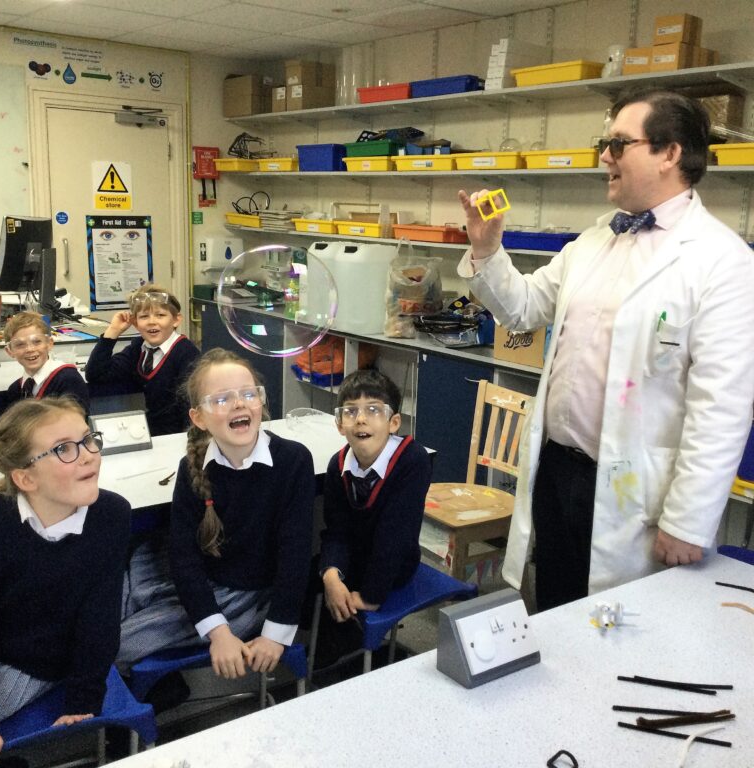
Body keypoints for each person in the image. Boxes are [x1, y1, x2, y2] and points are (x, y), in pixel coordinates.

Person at [457, 88, 754, 610]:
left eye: (618, 144)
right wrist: (487, 249)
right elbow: (524, 310)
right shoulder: (595, 239)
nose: (604, 157)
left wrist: (688, 520)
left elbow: (722, 407)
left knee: (618, 635)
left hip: (632, 492)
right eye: (605, 143)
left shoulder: (721, 261)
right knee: (554, 610)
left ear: (670, 153)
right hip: (557, 471)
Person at [118, 348, 314, 679]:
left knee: (117, 643)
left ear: (261, 402)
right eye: (222, 399)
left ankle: (156, 689)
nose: (239, 404)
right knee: (118, 588)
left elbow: (295, 555)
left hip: (246, 592)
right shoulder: (192, 466)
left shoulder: (292, 461)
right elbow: (184, 557)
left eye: (249, 394)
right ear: (199, 418)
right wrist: (218, 633)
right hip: (205, 577)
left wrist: (273, 634)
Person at [0, 398, 130, 764]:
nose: (88, 456)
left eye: (88, 440)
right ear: (24, 478)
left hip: (42, 666)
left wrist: (83, 698)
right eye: (64, 449)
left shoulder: (111, 515)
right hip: (2, 656)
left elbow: (100, 617)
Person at [317, 369, 431, 660]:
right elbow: (336, 531)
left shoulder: (411, 460)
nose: (361, 419)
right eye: (350, 411)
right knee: (310, 586)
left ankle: (358, 657)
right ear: (340, 425)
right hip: (354, 560)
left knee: (347, 610)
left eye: (373, 410)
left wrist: (371, 596)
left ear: (394, 423)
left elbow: (395, 537)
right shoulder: (337, 465)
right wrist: (332, 576)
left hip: (394, 566)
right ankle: (332, 661)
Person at [85, 284, 199, 436]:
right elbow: (95, 373)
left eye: (160, 315)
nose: (152, 321)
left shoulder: (186, 353)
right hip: (149, 433)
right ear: (135, 323)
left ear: (176, 320)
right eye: (144, 316)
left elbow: (190, 407)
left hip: (176, 436)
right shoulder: (138, 347)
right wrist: (113, 331)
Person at [3, 312, 89, 415]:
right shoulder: (16, 389)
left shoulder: (68, 379)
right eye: (20, 344)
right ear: (9, 351)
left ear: (49, 343)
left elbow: (76, 424)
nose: (30, 349)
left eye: (37, 342)